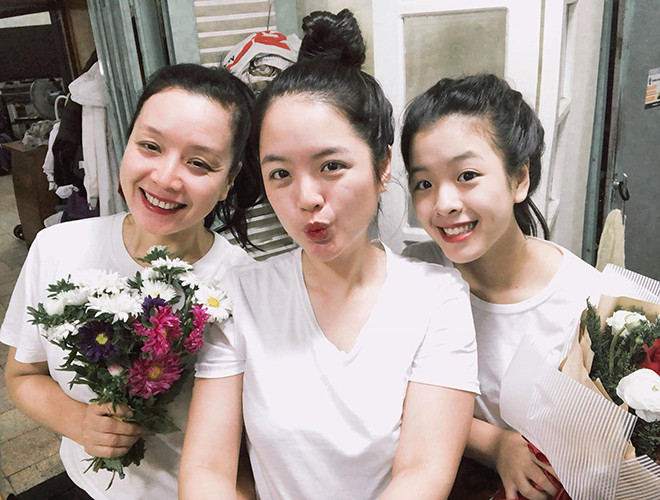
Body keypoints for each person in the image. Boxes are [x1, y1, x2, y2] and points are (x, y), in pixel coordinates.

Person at [179, 9, 479, 500]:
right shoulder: (239, 296)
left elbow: (423, 473)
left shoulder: (436, 298)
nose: (306, 198)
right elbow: (206, 471)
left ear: (383, 164)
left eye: (332, 166)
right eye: (280, 174)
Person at [1, 63, 260, 499]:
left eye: (198, 163)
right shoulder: (57, 247)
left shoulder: (246, 286)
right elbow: (24, 374)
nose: (165, 178)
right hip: (84, 485)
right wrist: (80, 422)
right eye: (150, 146)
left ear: (228, 181)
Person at [400, 74, 602, 500]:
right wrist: (494, 445)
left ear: (519, 179)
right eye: (424, 184)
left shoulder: (586, 302)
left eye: (467, 175)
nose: (444, 204)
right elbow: (391, 394)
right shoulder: (412, 276)